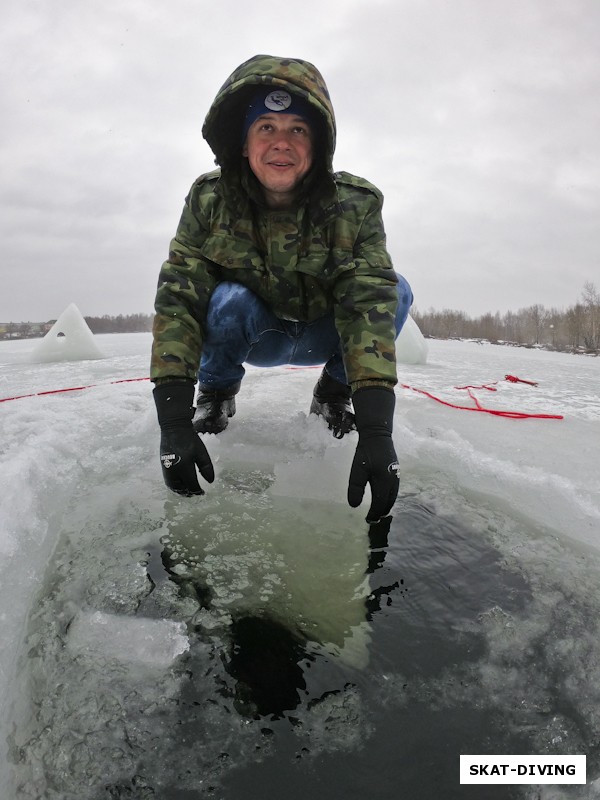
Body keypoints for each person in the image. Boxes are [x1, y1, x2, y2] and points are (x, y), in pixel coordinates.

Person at [151, 54, 413, 523]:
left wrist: (377, 429)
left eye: (298, 129)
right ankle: (216, 395)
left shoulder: (355, 205)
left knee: (397, 289)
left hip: (320, 334)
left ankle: (332, 394)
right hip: (257, 335)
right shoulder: (209, 200)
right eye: (266, 127)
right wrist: (172, 420)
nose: (281, 143)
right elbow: (179, 298)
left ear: (318, 143)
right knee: (226, 300)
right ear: (244, 141)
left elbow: (367, 300)